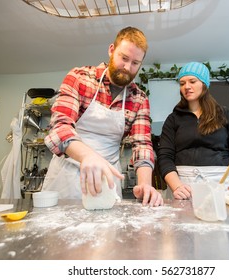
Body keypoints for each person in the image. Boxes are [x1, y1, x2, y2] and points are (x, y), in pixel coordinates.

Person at [42, 26, 163, 207]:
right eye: (124, 58)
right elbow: (60, 127)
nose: (128, 67)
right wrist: (88, 156)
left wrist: (145, 184)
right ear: (111, 50)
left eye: (135, 63)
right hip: (66, 176)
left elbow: (142, 145)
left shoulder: (139, 99)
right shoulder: (79, 78)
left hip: (108, 179)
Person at [158, 62, 229, 200]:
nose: (187, 87)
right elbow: (165, 157)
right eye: (182, 83)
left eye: (192, 81)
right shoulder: (173, 119)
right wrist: (177, 186)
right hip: (183, 188)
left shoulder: (225, 115)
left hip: (221, 186)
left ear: (204, 84)